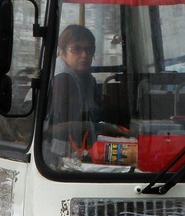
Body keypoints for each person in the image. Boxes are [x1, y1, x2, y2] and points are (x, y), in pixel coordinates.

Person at [44, 25, 125, 163]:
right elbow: (56, 131)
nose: (84, 55)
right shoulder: (62, 79)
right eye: (76, 49)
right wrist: (96, 127)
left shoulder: (87, 78)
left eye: (89, 49)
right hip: (53, 154)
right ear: (62, 52)